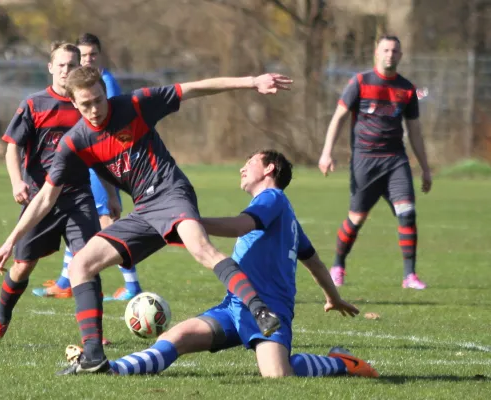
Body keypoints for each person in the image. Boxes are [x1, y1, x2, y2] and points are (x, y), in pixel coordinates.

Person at [0, 66, 294, 375]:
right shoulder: (74, 142)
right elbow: (44, 197)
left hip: (171, 193)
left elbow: (195, 87)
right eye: (86, 105)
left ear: (104, 92)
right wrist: (11, 240)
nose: (95, 109)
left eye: (98, 100)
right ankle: (94, 356)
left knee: (201, 249)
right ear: (74, 103)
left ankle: (259, 310)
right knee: (81, 265)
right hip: (145, 209)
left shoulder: (134, 105)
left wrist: (252, 81)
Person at [66, 150, 378, 379]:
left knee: (277, 375)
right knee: (174, 339)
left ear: (270, 168)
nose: (243, 166)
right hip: (234, 307)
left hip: (268, 310)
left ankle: (341, 362)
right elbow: (315, 263)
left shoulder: (272, 199)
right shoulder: (285, 215)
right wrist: (333, 298)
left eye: (251, 161)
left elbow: (242, 225)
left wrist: (190, 222)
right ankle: (110, 369)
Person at [0, 42, 104, 341]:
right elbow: (13, 147)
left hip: (78, 196)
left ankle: (94, 335)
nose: (66, 70)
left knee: (88, 261)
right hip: (40, 198)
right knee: (23, 266)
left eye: (72, 64)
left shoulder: (87, 104)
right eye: (61, 64)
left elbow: (101, 152)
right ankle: (1, 318)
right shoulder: (35, 104)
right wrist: (17, 182)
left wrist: (112, 197)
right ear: (51, 67)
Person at [32, 33, 143, 301]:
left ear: (100, 56)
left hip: (99, 166)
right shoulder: (81, 85)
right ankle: (64, 281)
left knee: (107, 223)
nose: (88, 59)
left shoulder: (104, 84)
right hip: (85, 165)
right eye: (83, 56)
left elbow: (109, 128)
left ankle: (132, 285)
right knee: (81, 223)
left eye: (93, 54)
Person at [318, 34, 432, 289]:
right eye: (386, 50)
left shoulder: (407, 89)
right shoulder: (360, 82)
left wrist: (425, 167)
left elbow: (414, 131)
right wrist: (326, 153)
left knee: (407, 213)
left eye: (395, 51)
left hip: (395, 161)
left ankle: (409, 275)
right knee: (356, 219)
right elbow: (338, 118)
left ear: (400, 56)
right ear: (376, 53)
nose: (390, 54)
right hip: (364, 162)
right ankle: (337, 266)